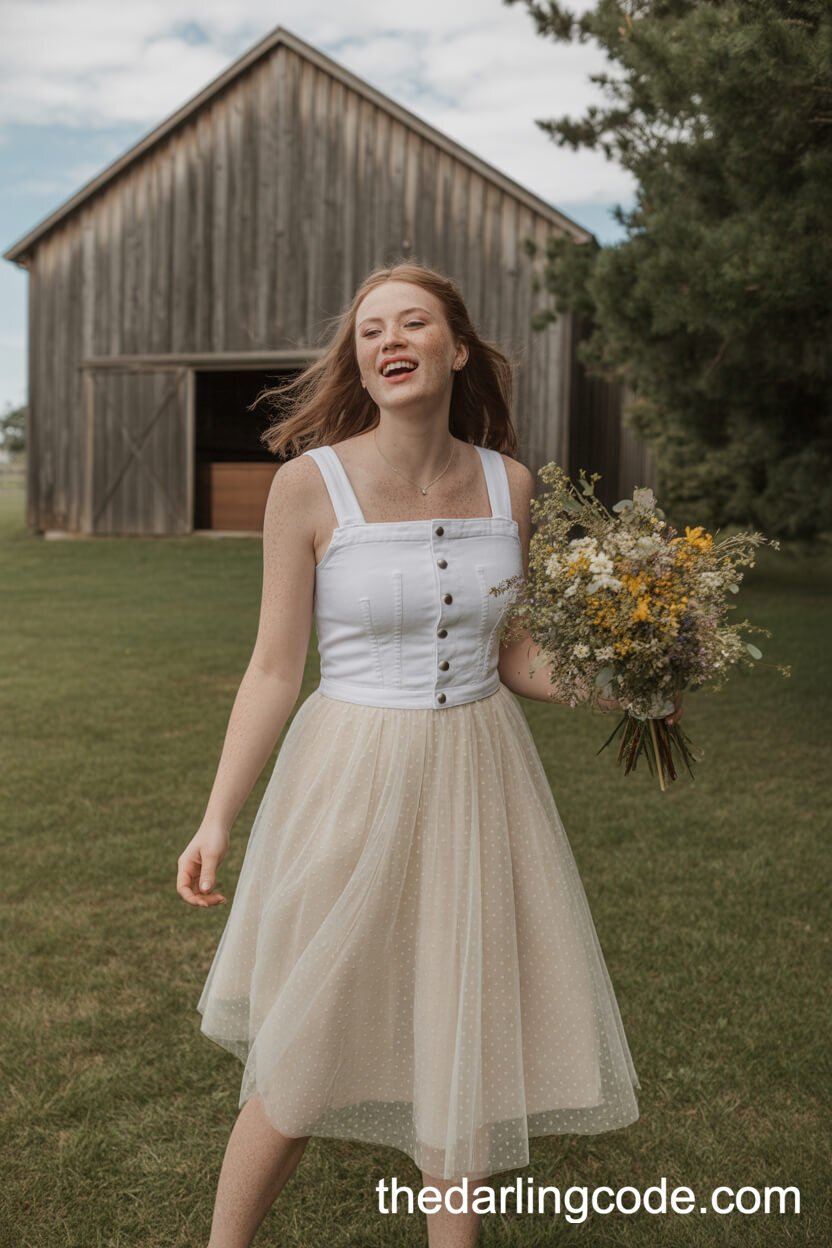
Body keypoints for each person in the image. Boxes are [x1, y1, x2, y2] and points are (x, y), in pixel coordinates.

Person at [177, 262, 682, 1248]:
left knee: (463, 1036)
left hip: (477, 780)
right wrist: (217, 818)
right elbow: (276, 669)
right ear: (359, 361)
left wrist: (634, 682)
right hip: (347, 778)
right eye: (371, 331)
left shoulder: (511, 484)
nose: (390, 340)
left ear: (456, 348)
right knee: (308, 1038)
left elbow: (516, 653)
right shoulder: (306, 486)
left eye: (413, 323)